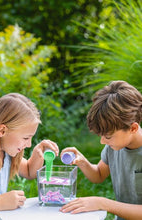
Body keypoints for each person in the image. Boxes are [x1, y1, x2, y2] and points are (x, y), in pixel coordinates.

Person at [60, 80, 142, 220]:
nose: (102, 141)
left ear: (133, 128)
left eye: (108, 136)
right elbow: (98, 175)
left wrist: (103, 203)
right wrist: (82, 162)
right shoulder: (114, 146)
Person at [0, 93, 59, 220]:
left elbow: (30, 172)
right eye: (25, 138)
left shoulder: (6, 153)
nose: (29, 144)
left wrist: (38, 153)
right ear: (2, 131)